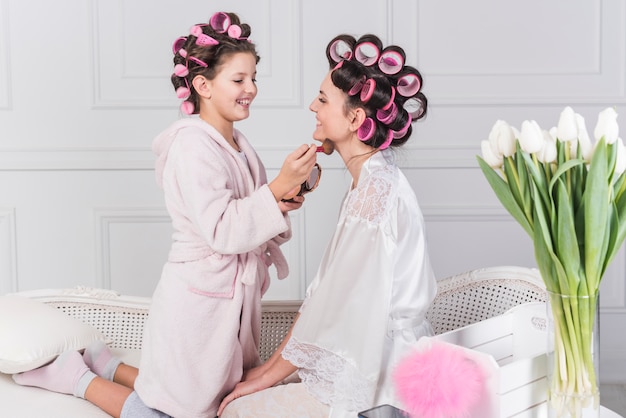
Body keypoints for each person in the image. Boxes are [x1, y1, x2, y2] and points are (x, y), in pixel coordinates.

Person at [11, 11, 317, 418]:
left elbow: (251, 218)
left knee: (206, 396)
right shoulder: (191, 147)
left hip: (232, 302)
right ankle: (79, 379)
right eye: (239, 80)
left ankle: (111, 365)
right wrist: (275, 189)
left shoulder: (241, 144)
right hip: (199, 304)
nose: (251, 89)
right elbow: (222, 231)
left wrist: (282, 201)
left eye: (254, 78)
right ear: (203, 85)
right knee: (179, 410)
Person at [217, 33, 438, 418]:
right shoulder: (370, 183)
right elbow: (323, 300)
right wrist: (266, 371)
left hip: (381, 379)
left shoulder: (376, 195)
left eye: (322, 99)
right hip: (367, 357)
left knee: (233, 410)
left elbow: (335, 309)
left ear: (355, 118)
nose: (312, 107)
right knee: (235, 392)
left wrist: (266, 379)